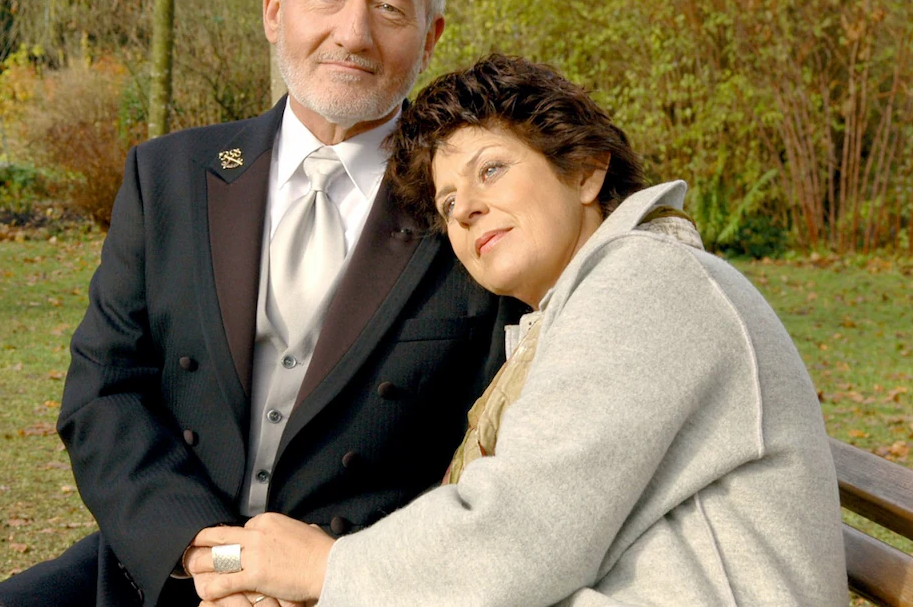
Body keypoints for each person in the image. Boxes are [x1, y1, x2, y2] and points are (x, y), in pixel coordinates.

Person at [0, 0, 526, 607]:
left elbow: (502, 465)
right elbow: (105, 392)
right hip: (166, 564)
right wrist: (214, 557)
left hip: (353, 584)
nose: (352, 33)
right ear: (273, 9)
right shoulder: (166, 177)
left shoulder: (473, 211)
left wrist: (324, 577)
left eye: (389, 7)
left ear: (430, 36)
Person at [183, 54, 848, 606]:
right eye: (447, 202)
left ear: (585, 170)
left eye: (492, 170)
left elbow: (521, 533)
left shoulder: (647, 280)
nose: (466, 210)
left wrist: (321, 569)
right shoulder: (575, 310)